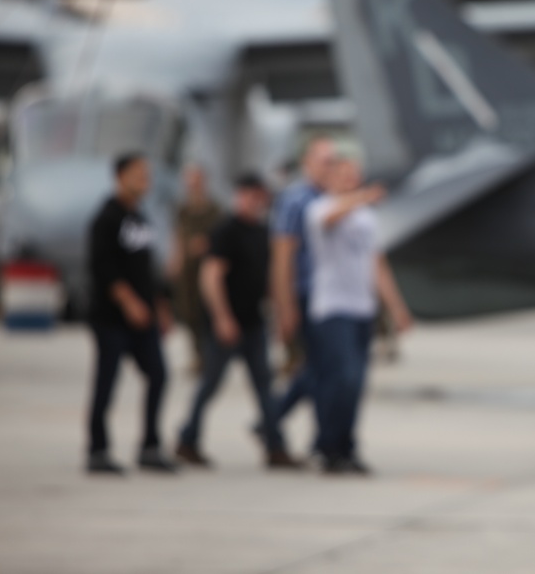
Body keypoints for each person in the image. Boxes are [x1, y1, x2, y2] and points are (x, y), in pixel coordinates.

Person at [174, 173, 299, 469]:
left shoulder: (261, 231)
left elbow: (268, 280)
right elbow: (211, 276)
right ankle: (187, 439)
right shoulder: (226, 230)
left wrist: (281, 315)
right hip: (227, 324)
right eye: (249, 195)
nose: (255, 201)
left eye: (259, 196)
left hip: (254, 322)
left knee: (265, 386)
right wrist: (222, 318)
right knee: (210, 384)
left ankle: (275, 448)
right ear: (239, 196)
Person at [305, 155, 412, 473]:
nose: (350, 180)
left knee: (356, 383)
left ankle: (346, 446)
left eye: (355, 175)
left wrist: (396, 307)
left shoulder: (366, 217)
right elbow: (331, 219)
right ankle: (327, 445)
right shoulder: (319, 208)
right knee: (341, 378)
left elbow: (376, 264)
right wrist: (362, 196)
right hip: (332, 306)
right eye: (344, 175)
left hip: (361, 307)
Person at [85, 152, 176, 474]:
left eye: (146, 175)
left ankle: (150, 445)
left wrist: (160, 307)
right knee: (107, 382)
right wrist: (129, 302)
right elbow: (103, 268)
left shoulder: (140, 218)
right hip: (112, 318)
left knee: (159, 375)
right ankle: (97, 450)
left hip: (145, 317)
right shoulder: (106, 218)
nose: (144, 180)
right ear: (120, 176)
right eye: (138, 174)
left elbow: (147, 271)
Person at [268, 137, 335, 450]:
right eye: (323, 161)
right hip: (305, 294)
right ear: (307, 164)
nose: (329, 168)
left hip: (328, 297)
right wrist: (285, 305)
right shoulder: (297, 200)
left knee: (321, 368)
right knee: (320, 368)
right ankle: (315, 437)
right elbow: (283, 256)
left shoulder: (332, 199)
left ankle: (274, 419)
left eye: (333, 161)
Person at [168, 164, 222, 375]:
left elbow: (220, 237)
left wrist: (204, 244)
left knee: (205, 311)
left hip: (207, 267)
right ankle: (198, 356)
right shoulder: (182, 209)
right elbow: (178, 235)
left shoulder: (214, 209)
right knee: (188, 312)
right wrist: (175, 258)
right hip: (187, 270)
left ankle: (210, 357)